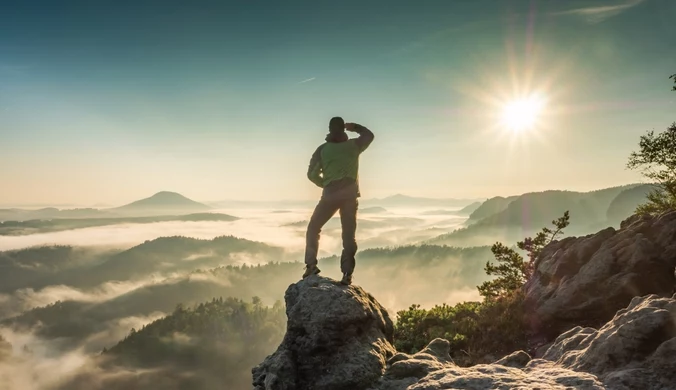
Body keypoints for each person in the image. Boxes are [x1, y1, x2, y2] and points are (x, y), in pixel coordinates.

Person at [303, 117, 375, 285]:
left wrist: (326, 184)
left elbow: (311, 174)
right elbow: (369, 135)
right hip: (350, 197)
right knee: (348, 236)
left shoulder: (322, 149)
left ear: (329, 129)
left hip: (329, 197)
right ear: (343, 129)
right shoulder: (354, 146)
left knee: (314, 228)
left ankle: (311, 266)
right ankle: (347, 275)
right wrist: (355, 127)